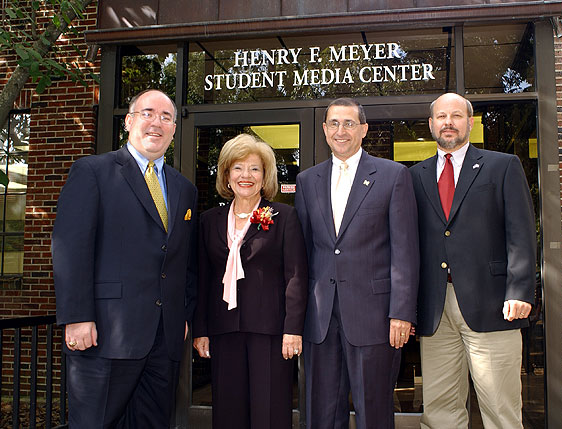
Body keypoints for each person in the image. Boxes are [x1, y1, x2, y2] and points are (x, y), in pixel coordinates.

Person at [52, 89, 198, 428]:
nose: (156, 123)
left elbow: (183, 262)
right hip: (105, 334)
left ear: (174, 129)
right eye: (148, 113)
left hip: (164, 340)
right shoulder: (93, 172)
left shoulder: (183, 189)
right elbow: (70, 248)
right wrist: (76, 316)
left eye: (165, 117)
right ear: (129, 121)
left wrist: (184, 315)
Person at [410, 92, 536, 428]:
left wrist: (520, 290)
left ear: (469, 121)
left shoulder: (503, 165)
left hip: (492, 303)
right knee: (439, 408)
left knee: (500, 407)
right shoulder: (415, 175)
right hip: (435, 307)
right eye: (441, 116)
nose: (448, 122)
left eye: (455, 115)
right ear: (431, 124)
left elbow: (521, 233)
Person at [295, 98, 420, 429]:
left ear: (363, 130)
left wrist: (402, 313)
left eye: (349, 123)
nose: (341, 130)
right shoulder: (307, 181)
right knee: (320, 412)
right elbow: (302, 253)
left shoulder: (393, 176)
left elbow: (405, 251)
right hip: (320, 319)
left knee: (374, 411)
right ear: (324, 130)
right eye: (334, 123)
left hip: (375, 317)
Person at [192, 133, 308, 429]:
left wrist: (293, 329)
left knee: (269, 412)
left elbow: (295, 276)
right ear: (227, 176)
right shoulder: (209, 221)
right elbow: (203, 278)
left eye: (255, 168)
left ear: (265, 176)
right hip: (223, 330)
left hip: (270, 333)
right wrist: (201, 329)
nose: (246, 175)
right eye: (238, 168)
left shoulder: (283, 216)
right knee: (228, 412)